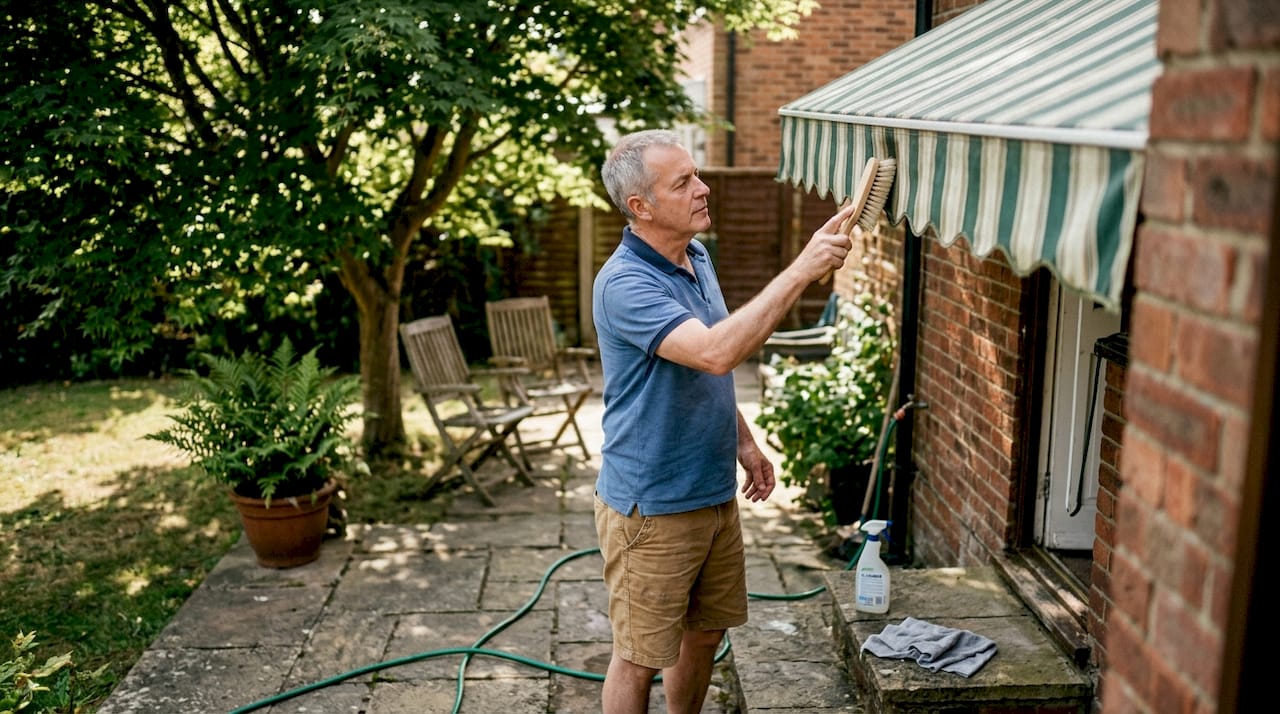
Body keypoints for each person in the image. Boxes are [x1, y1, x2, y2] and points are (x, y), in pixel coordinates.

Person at [592, 128, 857, 714]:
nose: (703, 188)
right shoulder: (625, 285)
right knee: (638, 655)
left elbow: (705, 367)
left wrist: (745, 442)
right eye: (683, 182)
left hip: (711, 491)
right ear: (641, 206)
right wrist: (800, 270)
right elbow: (716, 351)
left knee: (706, 632)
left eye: (697, 174)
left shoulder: (696, 256)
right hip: (653, 505)